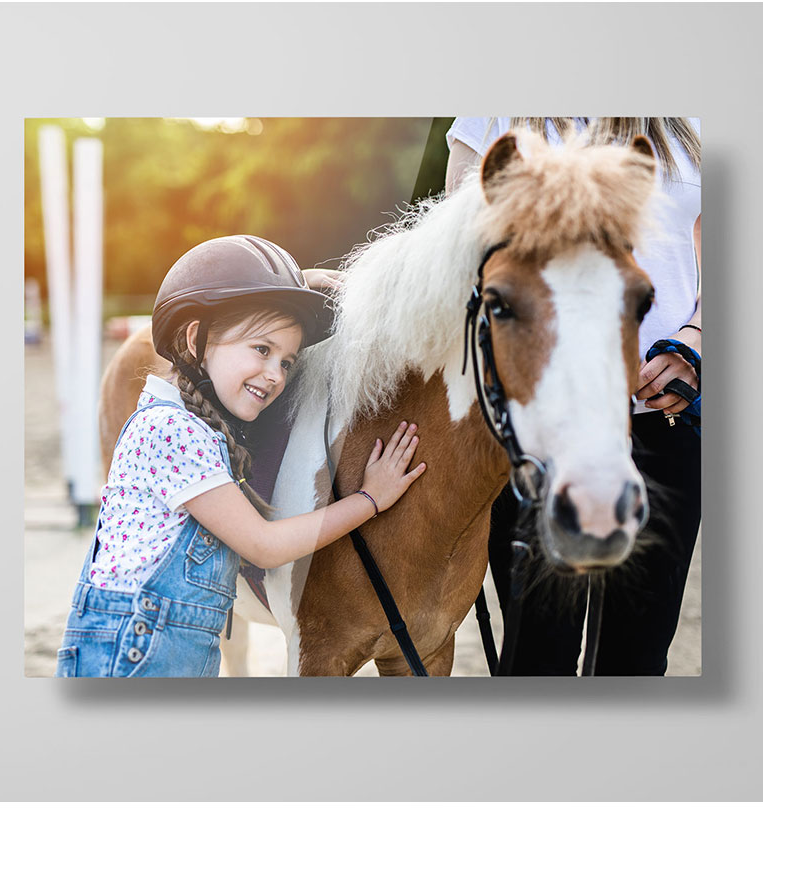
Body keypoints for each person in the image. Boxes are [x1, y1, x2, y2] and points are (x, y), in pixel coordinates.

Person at [56, 235, 427, 677]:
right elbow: (263, 546)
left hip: (168, 650)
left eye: (288, 362)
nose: (275, 375)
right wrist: (369, 500)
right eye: (262, 349)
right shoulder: (172, 431)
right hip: (134, 655)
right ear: (196, 339)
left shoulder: (195, 428)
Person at [446, 118, 702, 675]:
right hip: (538, 427)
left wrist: (699, 333)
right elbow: (458, 255)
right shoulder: (493, 107)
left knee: (637, 659)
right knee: (537, 658)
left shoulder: (700, 113)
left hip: (668, 414)